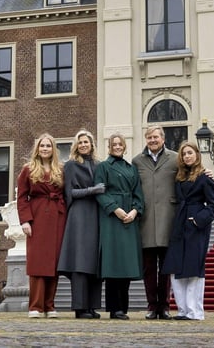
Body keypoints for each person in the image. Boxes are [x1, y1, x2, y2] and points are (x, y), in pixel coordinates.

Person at [161, 141, 214, 321]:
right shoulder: (179, 177)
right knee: (176, 267)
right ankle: (182, 310)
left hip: (196, 227)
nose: (187, 156)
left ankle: (195, 312)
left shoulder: (205, 177)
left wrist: (198, 220)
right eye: (184, 154)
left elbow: (213, 206)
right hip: (179, 223)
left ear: (197, 155)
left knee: (194, 268)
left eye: (190, 153)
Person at [94, 132, 144, 320]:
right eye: (114, 144)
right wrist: (114, 209)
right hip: (111, 219)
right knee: (113, 262)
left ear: (124, 146)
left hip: (129, 219)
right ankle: (115, 308)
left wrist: (134, 211)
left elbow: (139, 194)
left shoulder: (132, 169)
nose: (117, 146)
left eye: (120, 144)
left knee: (126, 263)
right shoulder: (103, 167)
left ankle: (124, 307)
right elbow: (99, 192)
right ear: (109, 146)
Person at [17, 133, 66, 318]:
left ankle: (50, 305)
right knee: (38, 262)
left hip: (58, 217)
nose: (45, 149)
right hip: (37, 217)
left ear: (53, 149)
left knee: (54, 263)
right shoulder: (28, 170)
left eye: (48, 146)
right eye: (42, 146)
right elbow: (22, 197)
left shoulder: (60, 169)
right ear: (37, 149)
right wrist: (25, 220)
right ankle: (36, 307)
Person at [57, 129, 105, 319]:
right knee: (79, 262)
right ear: (76, 146)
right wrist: (92, 190)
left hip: (96, 215)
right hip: (79, 216)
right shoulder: (70, 165)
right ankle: (80, 307)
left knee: (94, 262)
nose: (84, 145)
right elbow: (69, 194)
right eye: (80, 142)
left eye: (87, 142)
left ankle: (92, 306)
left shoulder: (98, 165)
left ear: (92, 144)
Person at [132, 125, 177, 320]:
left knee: (166, 269)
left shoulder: (175, 158)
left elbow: (191, 173)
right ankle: (151, 306)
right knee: (149, 269)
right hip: (146, 221)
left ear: (163, 138)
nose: (152, 140)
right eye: (149, 137)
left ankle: (165, 307)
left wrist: (206, 171)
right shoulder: (137, 161)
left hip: (168, 218)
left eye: (156, 137)